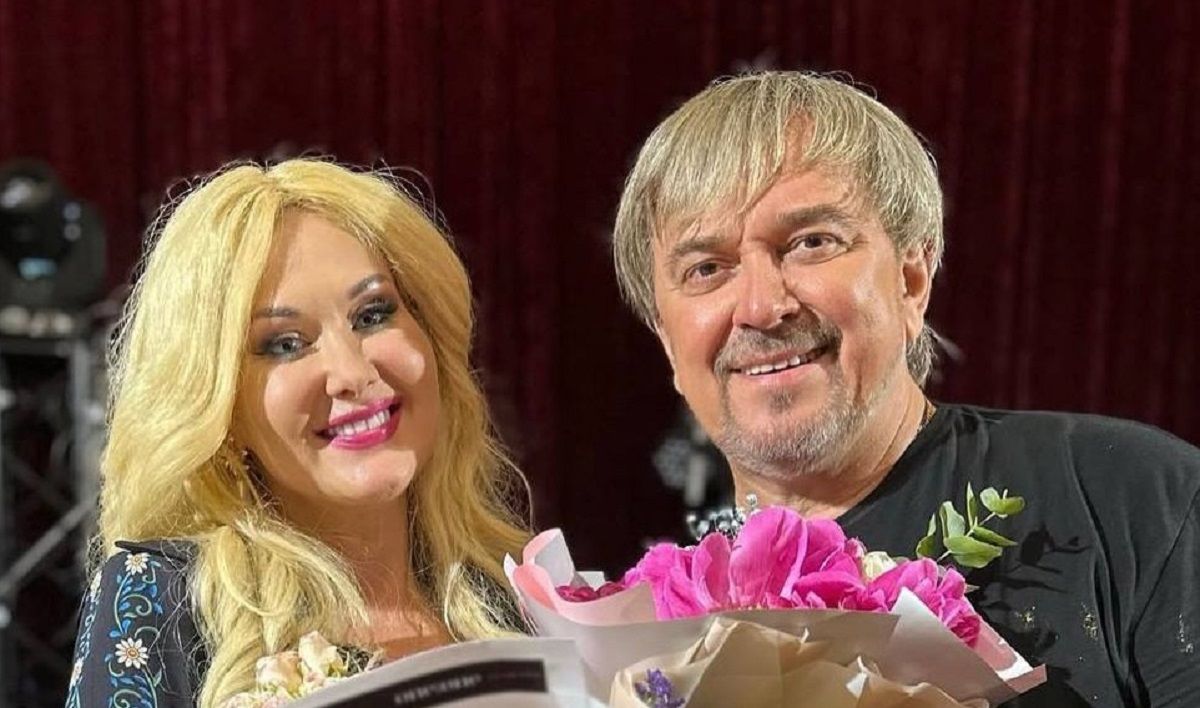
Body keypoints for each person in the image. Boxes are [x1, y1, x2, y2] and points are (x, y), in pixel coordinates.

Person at [612, 71, 1199, 707]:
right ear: (667, 340)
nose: (760, 306)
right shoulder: (650, 651)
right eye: (706, 268)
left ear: (911, 279)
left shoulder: (1135, 497)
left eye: (811, 243)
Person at [65, 159, 531, 707]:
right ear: (221, 409)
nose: (352, 373)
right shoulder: (158, 602)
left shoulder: (521, 602)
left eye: (373, 314)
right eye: (285, 344)